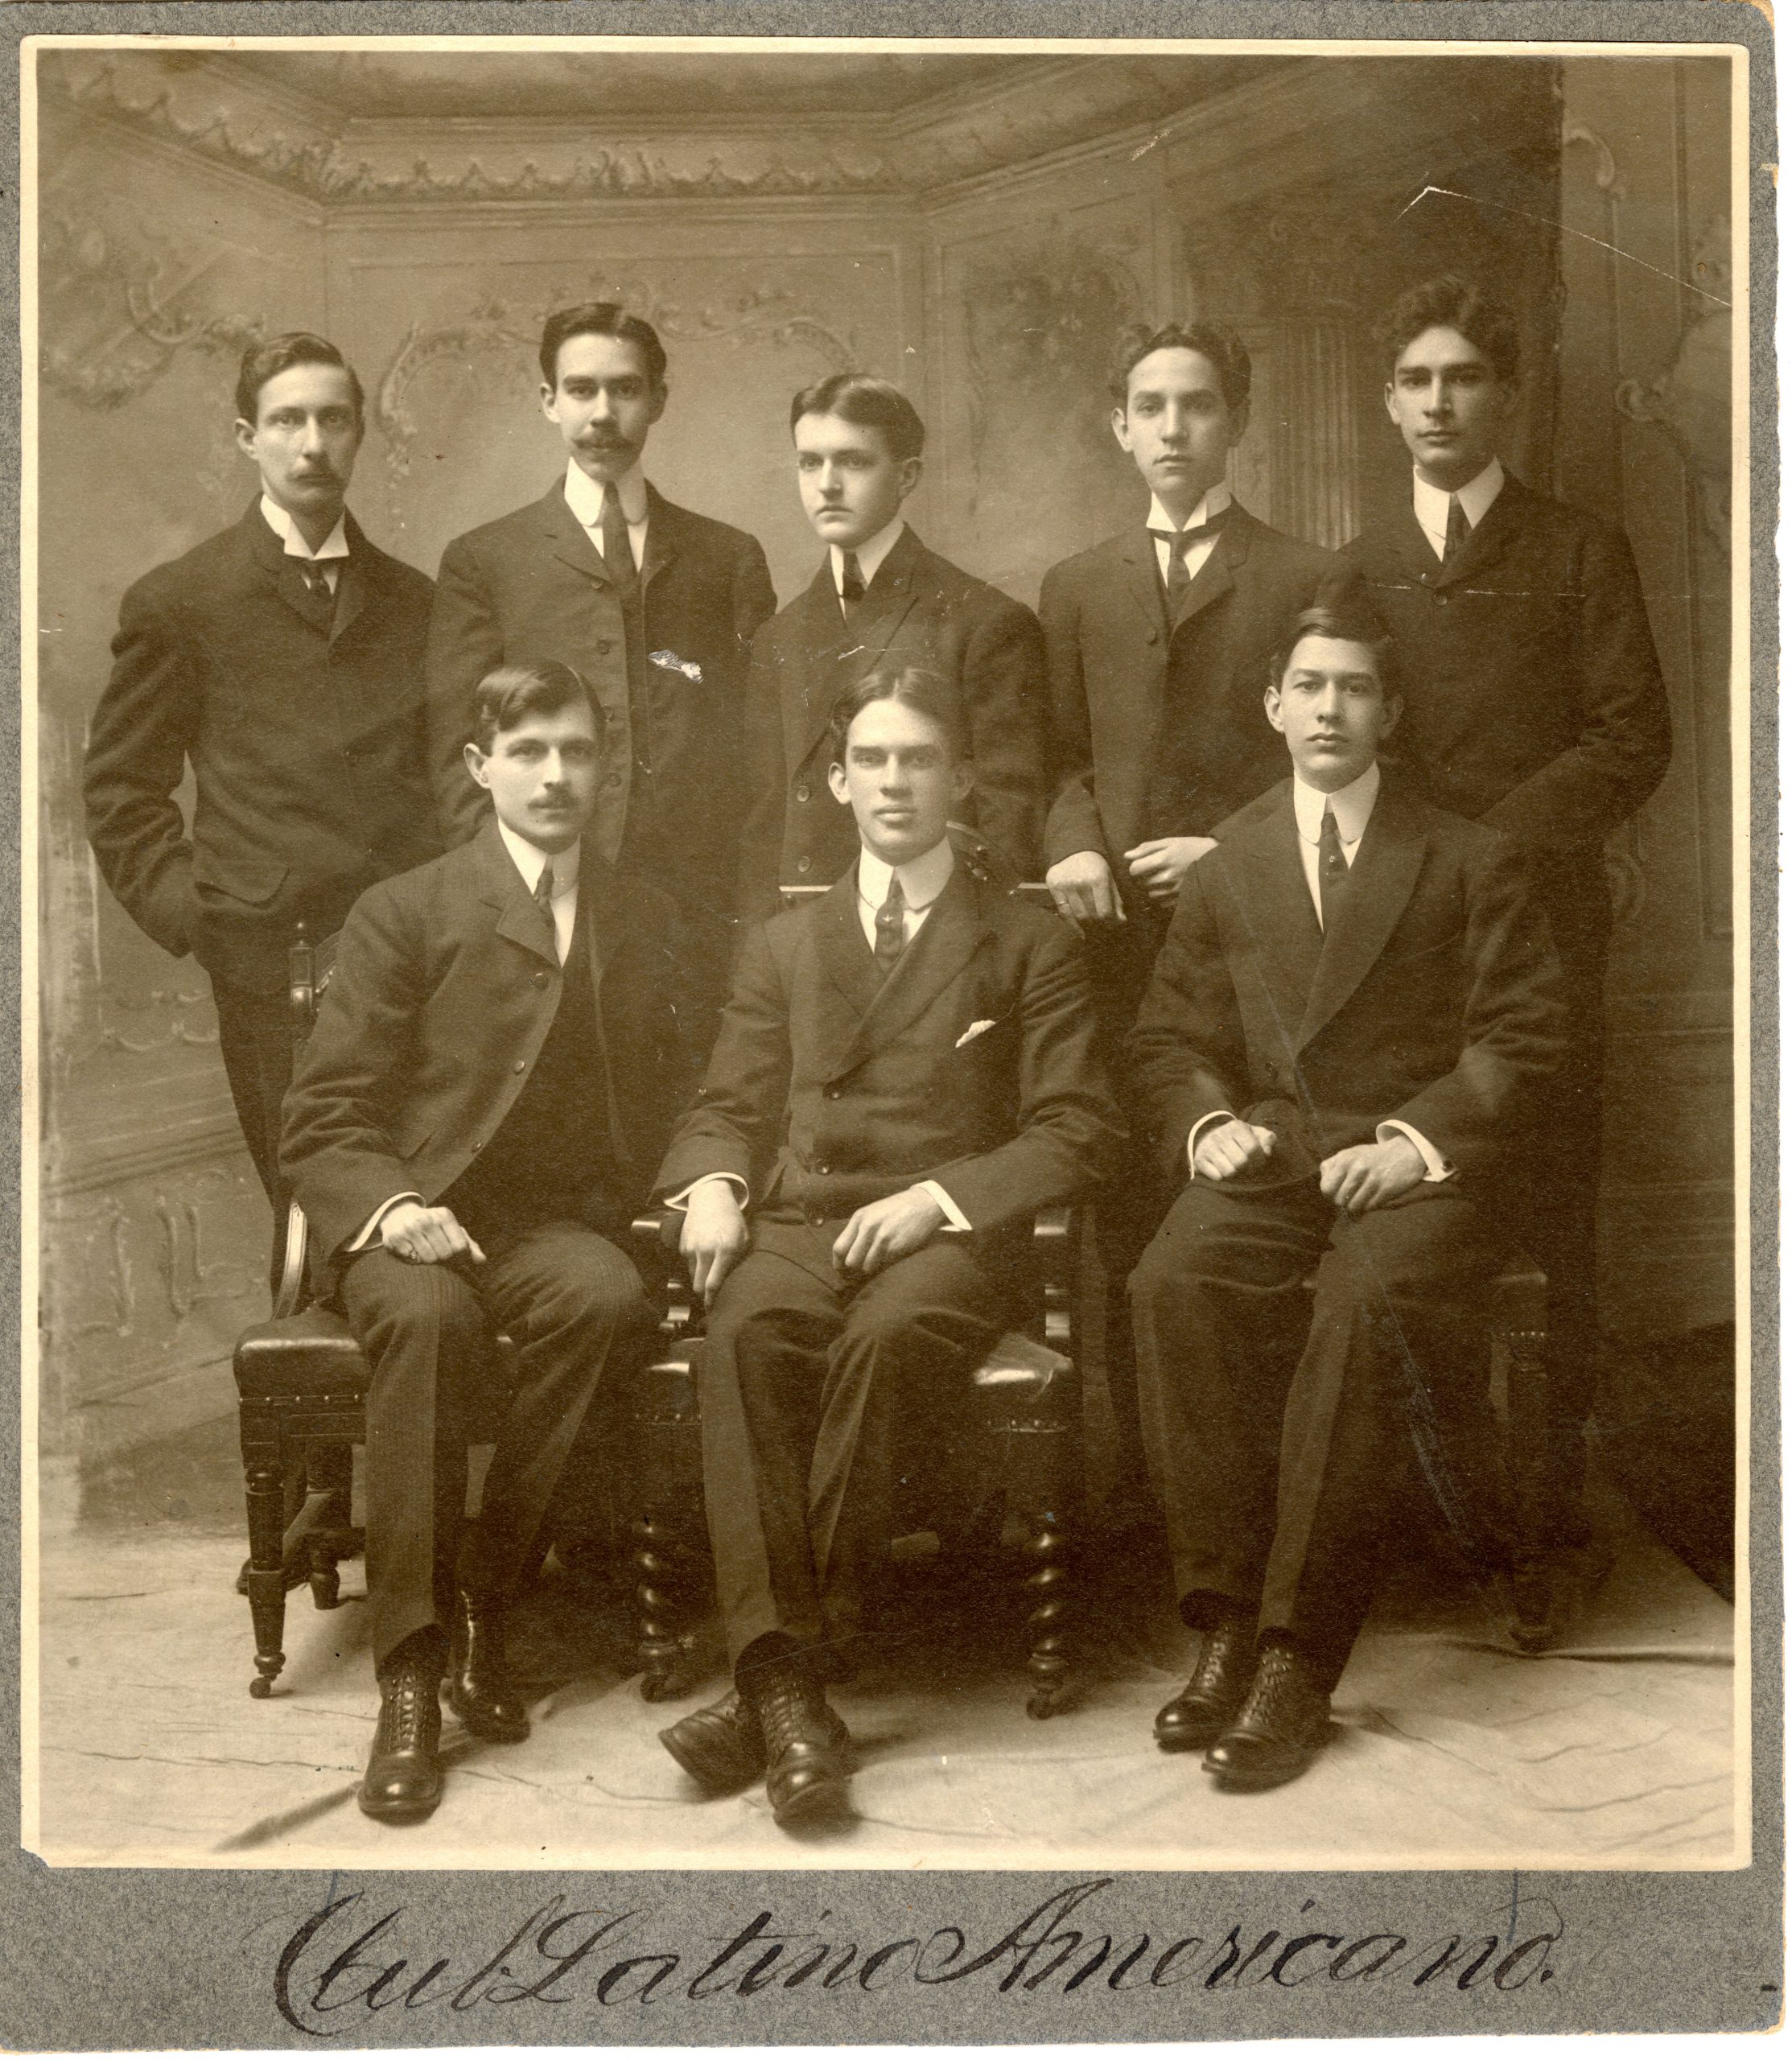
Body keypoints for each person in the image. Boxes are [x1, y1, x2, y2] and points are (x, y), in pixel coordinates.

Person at [656, 665, 1123, 1827]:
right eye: (871, 760)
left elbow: (1078, 1128)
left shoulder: (1024, 940)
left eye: (918, 758)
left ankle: (778, 1679)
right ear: (835, 781)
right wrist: (712, 1186)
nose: (894, 781)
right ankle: (793, 1693)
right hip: (801, 1219)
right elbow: (727, 1099)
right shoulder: (782, 942)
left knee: (889, 1335)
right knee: (744, 1335)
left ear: (960, 778)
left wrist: (940, 1199)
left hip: (945, 1240)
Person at [1128, 603, 1567, 1791]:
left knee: (1358, 1310)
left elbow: (1518, 1041)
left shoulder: (1468, 855)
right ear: (1271, 706)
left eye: (1354, 689)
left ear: (1389, 713)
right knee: (1171, 1277)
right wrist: (1207, 1123)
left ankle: (1292, 1659)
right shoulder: (1228, 864)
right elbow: (1169, 1038)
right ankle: (1220, 1620)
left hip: (1421, 1176)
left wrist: (1413, 1141)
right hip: (1275, 1157)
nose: (1328, 710)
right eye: (1307, 686)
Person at [281, 661, 698, 1823]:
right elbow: (320, 1119)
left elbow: (678, 1095)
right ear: (480, 768)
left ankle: (488, 1596)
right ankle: (409, 1677)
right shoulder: (406, 910)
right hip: (407, 1224)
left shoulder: (644, 912)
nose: (556, 775)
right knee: (426, 1319)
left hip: (552, 1228)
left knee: (606, 1297)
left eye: (575, 750)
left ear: (602, 764)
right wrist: (391, 1210)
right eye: (528, 752)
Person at [1341, 274, 1672, 1519]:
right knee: (1406, 1201)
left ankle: (1547, 1511)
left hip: (1538, 929)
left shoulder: (1580, 547)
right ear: (1386, 403)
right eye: (1416, 381)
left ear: (1506, 398)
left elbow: (1629, 737)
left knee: (1546, 1206)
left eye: (1462, 377)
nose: (1438, 403)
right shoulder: (1356, 565)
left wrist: (1482, 844)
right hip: (1397, 941)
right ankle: (1417, 1503)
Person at [1037, 321, 1353, 1502]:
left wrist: (1229, 845)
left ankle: (1266, 1498)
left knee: (1244, 1205)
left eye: (1197, 405)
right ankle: (1148, 1506)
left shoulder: (1301, 574)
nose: (1173, 428)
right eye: (1150, 407)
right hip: (1115, 948)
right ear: (1118, 427)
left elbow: (1330, 756)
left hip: (1260, 945)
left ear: (1235, 422)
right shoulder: (1074, 586)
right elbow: (1056, 758)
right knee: (1126, 1214)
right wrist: (1073, 841)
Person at [83, 333, 441, 1288]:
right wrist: (201, 914)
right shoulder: (181, 601)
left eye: (333, 419)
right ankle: (314, 1423)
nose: (312, 443)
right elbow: (121, 791)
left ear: (362, 435)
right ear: (248, 437)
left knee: (426, 1192)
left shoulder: (419, 602)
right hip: (268, 961)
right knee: (315, 1217)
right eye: (287, 420)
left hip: (418, 951)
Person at [425, 302, 776, 1015]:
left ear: (658, 401)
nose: (603, 414)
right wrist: (515, 885)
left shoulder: (727, 557)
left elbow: (763, 745)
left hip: (698, 899)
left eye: (626, 389)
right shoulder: (485, 560)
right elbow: (455, 748)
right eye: (581, 390)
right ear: (548, 402)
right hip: (548, 892)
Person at [735, 374, 1047, 917]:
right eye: (810, 463)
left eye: (853, 462)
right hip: (805, 941)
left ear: (906, 476)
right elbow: (764, 828)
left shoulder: (983, 622)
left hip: (934, 934)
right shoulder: (777, 638)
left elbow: (1008, 818)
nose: (826, 484)